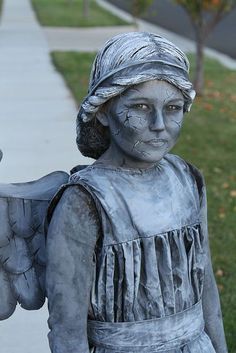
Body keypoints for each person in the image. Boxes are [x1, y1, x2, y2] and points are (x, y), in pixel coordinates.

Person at [46, 32, 228, 353]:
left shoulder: (186, 178)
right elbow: (67, 329)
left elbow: (207, 289)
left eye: (173, 108)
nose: (159, 124)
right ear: (103, 110)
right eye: (141, 107)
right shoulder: (86, 200)